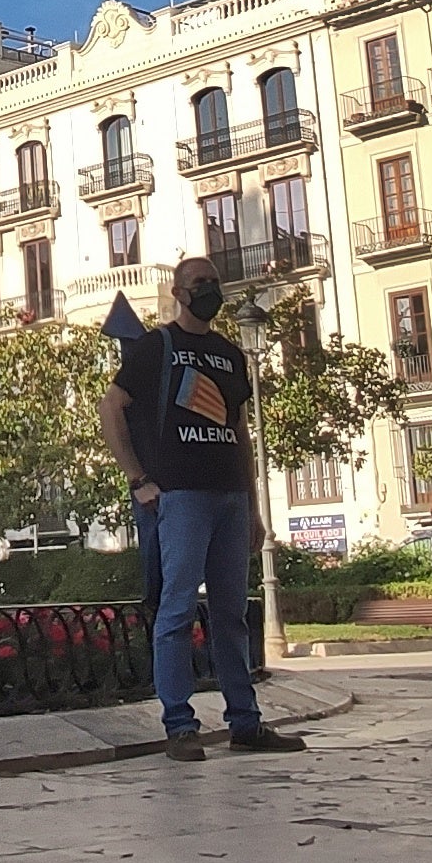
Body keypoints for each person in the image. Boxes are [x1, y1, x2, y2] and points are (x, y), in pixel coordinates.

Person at [99, 257, 307, 762]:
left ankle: (245, 721)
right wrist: (139, 479)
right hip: (182, 496)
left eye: (215, 282)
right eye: (200, 284)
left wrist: (254, 506)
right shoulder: (156, 347)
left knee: (233, 613)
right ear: (179, 292)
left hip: (230, 498)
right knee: (177, 608)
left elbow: (239, 431)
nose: (210, 290)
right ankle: (180, 725)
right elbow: (111, 407)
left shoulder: (230, 355)